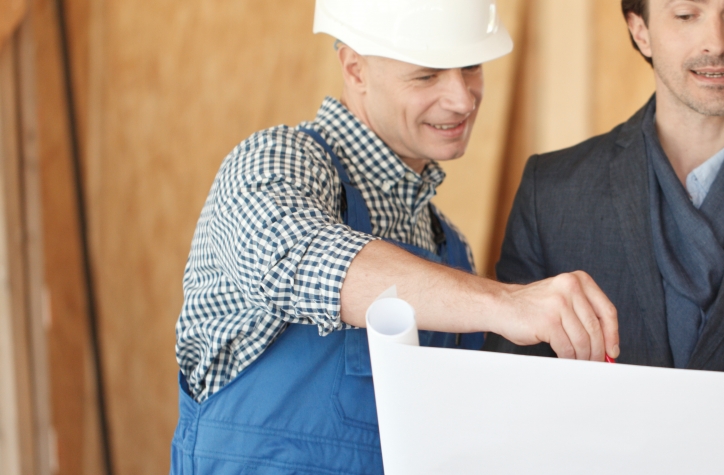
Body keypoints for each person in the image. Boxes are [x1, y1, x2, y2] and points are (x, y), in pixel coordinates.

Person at [170, 1, 619, 472]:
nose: (463, 99)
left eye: (470, 67)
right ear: (355, 69)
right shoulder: (277, 161)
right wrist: (507, 303)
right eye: (427, 76)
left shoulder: (450, 247)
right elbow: (292, 256)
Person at [484, 0, 724, 371]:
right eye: (686, 15)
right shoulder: (552, 190)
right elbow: (512, 383)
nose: (715, 43)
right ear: (641, 31)